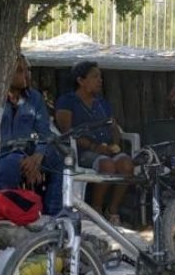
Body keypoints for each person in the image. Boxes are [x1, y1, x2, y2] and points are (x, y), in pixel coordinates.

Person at [55, 61, 134, 224]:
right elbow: (67, 132)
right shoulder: (67, 101)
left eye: (100, 77)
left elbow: (113, 128)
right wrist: (94, 147)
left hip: (106, 149)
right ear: (81, 80)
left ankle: (112, 210)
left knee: (127, 165)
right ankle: (95, 211)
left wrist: (114, 144)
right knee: (107, 165)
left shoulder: (102, 103)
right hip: (82, 151)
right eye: (95, 76)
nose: (100, 80)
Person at [0, 55, 63, 215]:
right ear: (5, 73)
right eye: (20, 71)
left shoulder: (35, 98)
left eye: (29, 70)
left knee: (57, 157)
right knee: (11, 164)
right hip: (2, 154)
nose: (27, 74)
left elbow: (44, 132)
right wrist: (24, 159)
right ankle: (5, 212)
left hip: (28, 151)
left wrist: (38, 156)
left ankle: (52, 214)